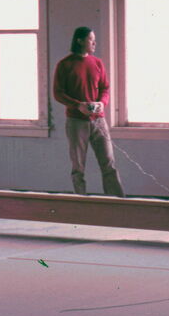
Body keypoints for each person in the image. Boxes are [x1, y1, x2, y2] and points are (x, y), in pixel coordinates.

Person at [53, 27, 125, 197]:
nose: (94, 43)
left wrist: (102, 103)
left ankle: (118, 202)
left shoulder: (97, 63)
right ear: (79, 40)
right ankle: (81, 203)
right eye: (91, 39)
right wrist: (78, 105)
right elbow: (58, 93)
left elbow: (105, 88)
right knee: (78, 167)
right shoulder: (65, 65)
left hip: (99, 121)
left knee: (109, 163)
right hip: (76, 122)